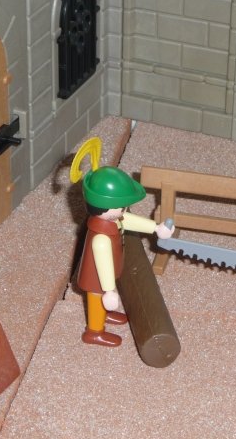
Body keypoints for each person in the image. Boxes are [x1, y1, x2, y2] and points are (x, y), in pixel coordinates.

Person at [70, 138, 174, 347]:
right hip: (97, 278)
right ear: (104, 207)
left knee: (101, 300)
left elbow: (128, 220)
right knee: (97, 297)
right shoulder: (100, 239)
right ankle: (94, 332)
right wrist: (109, 291)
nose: (124, 210)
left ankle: (103, 314)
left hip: (109, 272)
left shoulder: (113, 218)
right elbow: (103, 266)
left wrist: (156, 228)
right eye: (121, 206)